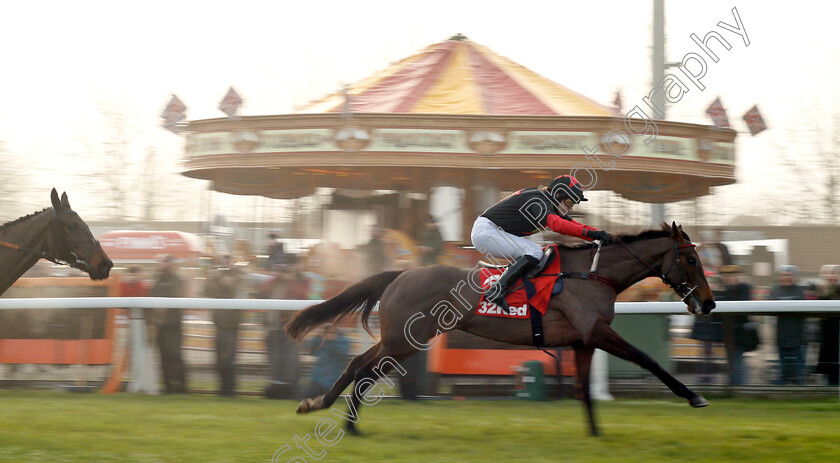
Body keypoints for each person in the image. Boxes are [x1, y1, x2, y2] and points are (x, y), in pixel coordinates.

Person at [471, 175, 611, 311]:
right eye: (569, 203)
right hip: (486, 232)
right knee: (535, 252)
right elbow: (557, 225)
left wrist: (601, 235)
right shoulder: (538, 202)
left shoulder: (546, 201)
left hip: (490, 231)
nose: (571, 208)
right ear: (558, 195)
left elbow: (576, 226)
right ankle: (497, 291)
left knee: (540, 255)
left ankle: (516, 292)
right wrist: (593, 235)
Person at [205, 255, 242, 397]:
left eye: (228, 261)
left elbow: (240, 290)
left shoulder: (238, 276)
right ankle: (222, 388)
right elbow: (208, 292)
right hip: (220, 323)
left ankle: (230, 389)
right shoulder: (217, 278)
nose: (226, 264)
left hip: (232, 324)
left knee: (229, 359)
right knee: (219, 359)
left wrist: (231, 278)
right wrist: (214, 277)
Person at [150, 254, 187, 394]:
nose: (161, 264)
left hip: (173, 324)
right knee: (163, 356)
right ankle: (168, 387)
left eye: (164, 262)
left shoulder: (177, 280)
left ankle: (182, 386)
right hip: (161, 325)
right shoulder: (158, 279)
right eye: (161, 262)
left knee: (175, 355)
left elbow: (178, 297)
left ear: (171, 264)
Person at [718, 265, 758, 386]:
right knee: (733, 363)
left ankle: (738, 387)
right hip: (729, 333)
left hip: (739, 334)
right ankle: (734, 386)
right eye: (726, 276)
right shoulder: (726, 291)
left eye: (731, 276)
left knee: (737, 363)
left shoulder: (742, 289)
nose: (729, 278)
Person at [770, 265, 807, 385]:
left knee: (797, 358)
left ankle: (798, 379)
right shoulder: (776, 290)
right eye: (784, 275)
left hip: (797, 332)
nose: (787, 277)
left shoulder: (799, 290)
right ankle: (783, 379)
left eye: (789, 274)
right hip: (781, 331)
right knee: (782, 359)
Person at [301, 326, 350, 398]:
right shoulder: (320, 340)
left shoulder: (342, 341)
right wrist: (317, 336)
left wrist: (332, 340)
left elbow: (342, 354)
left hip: (331, 383)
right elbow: (312, 351)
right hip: (317, 380)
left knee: (308, 395)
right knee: (299, 393)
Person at [816, 265, 840, 386]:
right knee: (830, 365)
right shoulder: (823, 291)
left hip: (837, 333)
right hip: (828, 335)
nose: (832, 277)